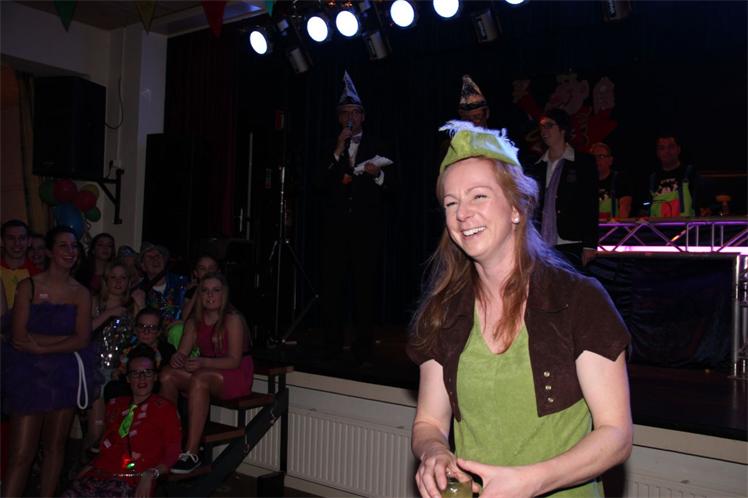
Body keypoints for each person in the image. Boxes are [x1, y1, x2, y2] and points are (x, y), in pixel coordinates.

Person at [408, 121, 631, 498]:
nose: (462, 214)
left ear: (516, 207)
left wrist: (531, 481)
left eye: (479, 196)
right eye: (451, 203)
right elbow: (428, 422)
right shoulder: (442, 311)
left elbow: (616, 435)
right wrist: (434, 452)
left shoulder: (578, 299)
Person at [1, 226, 102, 497]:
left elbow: (82, 339)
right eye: (63, 246)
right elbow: (18, 336)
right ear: (48, 251)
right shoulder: (29, 286)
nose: (70, 252)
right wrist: (60, 343)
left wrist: (41, 346)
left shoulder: (81, 292)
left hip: (63, 375)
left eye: (74, 246)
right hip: (28, 374)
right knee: (22, 453)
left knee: (55, 448)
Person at [317, 70, 395, 363]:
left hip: (366, 229)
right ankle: (332, 345)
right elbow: (317, 184)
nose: (350, 117)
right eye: (345, 112)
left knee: (364, 289)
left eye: (355, 112)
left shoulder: (378, 145)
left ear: (363, 116)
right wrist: (338, 149)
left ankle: (364, 346)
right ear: (339, 118)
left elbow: (395, 186)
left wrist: (378, 176)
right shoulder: (329, 146)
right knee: (333, 288)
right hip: (335, 230)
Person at [159, 272, 253, 474]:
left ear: (223, 294)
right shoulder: (194, 321)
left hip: (235, 374)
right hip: (207, 371)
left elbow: (234, 360)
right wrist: (178, 358)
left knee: (200, 378)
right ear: (199, 295)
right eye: (205, 291)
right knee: (167, 374)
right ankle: (170, 442)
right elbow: (183, 352)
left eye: (215, 290)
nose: (210, 295)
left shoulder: (232, 318)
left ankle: (192, 453)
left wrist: (203, 362)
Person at [62, 344, 182, 498]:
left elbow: (173, 452)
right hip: (98, 475)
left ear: (155, 376)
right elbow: (107, 445)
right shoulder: (116, 404)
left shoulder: (165, 409)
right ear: (128, 378)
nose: (142, 378)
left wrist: (151, 474)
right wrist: (89, 467)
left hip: (132, 480)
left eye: (147, 372)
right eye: (135, 373)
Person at [525, 108, 598, 268]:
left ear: (563, 129)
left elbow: (590, 204)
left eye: (549, 125)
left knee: (571, 283)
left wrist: (590, 244)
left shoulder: (583, 162)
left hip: (572, 240)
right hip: (542, 242)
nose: (544, 131)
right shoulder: (537, 166)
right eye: (541, 127)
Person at [84, 262, 145, 453]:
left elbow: (144, 337)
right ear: (105, 281)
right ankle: (85, 464)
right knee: (96, 430)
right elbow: (83, 331)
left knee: (117, 431)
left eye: (123, 278)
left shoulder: (132, 306)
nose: (118, 282)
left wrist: (141, 305)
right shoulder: (95, 302)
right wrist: (109, 314)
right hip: (95, 371)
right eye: (113, 278)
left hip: (121, 374)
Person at [648, 134, 706, 217]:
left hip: (686, 225)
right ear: (658, 153)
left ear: (678, 149)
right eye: (662, 148)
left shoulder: (691, 173)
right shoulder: (652, 178)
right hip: (658, 225)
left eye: (671, 147)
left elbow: (704, 202)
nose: (667, 151)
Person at [136, 242, 188, 329]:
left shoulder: (182, 282)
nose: (155, 259)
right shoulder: (140, 291)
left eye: (158, 256)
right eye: (150, 257)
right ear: (143, 266)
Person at [1, 219, 41, 309]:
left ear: (29, 241)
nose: (17, 243)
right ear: (2, 241)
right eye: (11, 238)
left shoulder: (38, 275)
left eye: (22, 238)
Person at [590, 142, 632, 220]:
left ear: (610, 160)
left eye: (601, 156)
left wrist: (617, 224)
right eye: (593, 157)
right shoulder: (584, 181)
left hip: (613, 226)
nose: (597, 160)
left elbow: (625, 207)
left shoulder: (619, 179)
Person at [181, 254, 220, 321]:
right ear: (196, 273)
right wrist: (198, 290)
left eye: (211, 268)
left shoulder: (223, 290)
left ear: (218, 271)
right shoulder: (192, 290)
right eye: (202, 268)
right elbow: (185, 317)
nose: (207, 271)